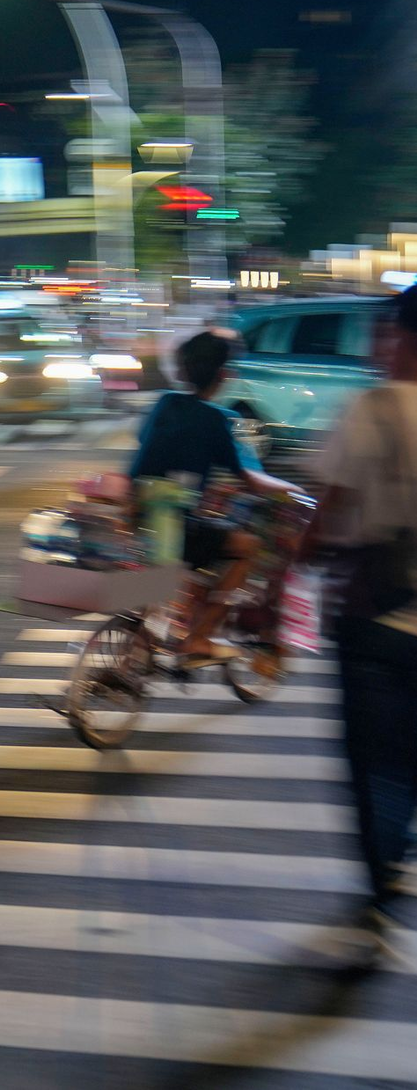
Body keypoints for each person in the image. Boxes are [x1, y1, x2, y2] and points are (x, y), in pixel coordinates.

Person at [305, 284, 417, 952]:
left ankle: (380, 886)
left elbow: (325, 515)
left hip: (374, 622)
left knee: (374, 763)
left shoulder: (371, 409)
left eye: (386, 334)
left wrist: (279, 579)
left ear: (404, 338)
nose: (378, 346)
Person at [130, 330, 301, 664]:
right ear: (223, 375)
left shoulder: (162, 404)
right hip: (174, 525)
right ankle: (200, 637)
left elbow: (154, 453)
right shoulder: (214, 420)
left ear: (182, 370)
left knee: (175, 568)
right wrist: (291, 490)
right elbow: (248, 478)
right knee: (245, 548)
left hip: (142, 515)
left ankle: (132, 657)